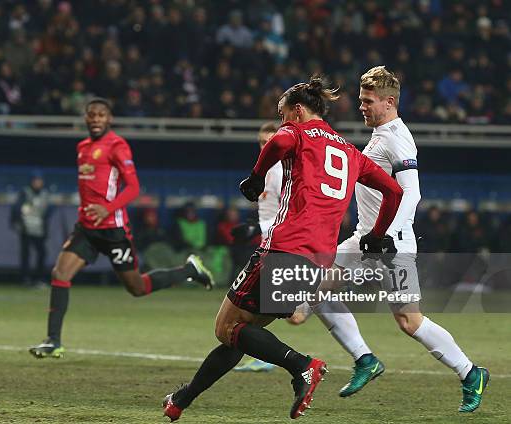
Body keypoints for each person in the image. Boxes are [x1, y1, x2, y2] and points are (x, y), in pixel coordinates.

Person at [163, 78, 403, 421]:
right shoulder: (351, 152)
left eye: (284, 114)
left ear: (299, 110)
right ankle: (182, 400)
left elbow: (280, 140)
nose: (282, 121)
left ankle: (303, 366)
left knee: (225, 328)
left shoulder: (299, 133)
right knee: (242, 333)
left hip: (284, 248)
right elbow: (394, 191)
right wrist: (377, 236)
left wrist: (257, 176)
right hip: (318, 262)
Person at [292, 66, 489, 413]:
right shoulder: (381, 135)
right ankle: (365, 359)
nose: (362, 107)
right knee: (314, 290)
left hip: (389, 247)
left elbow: (410, 193)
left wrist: (384, 237)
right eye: (360, 100)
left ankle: (471, 373)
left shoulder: (396, 137)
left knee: (408, 321)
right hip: (365, 242)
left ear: (389, 102)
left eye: (368, 101)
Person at [29, 98, 214, 359]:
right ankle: (53, 340)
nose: (95, 119)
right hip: (86, 229)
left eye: (101, 115)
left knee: (136, 287)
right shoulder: (82, 147)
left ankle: (189, 270)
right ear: (85, 118)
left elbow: (134, 188)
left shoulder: (117, 146)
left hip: (113, 229)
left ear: (109, 118)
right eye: (91, 114)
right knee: (60, 273)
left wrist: (107, 208)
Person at [233, 121, 280, 372]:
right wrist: (254, 225)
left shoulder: (283, 170)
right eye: (262, 143)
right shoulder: (267, 170)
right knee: (255, 307)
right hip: (268, 243)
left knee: (254, 306)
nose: (265, 147)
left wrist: (257, 229)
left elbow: (291, 212)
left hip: (279, 246)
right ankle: (261, 355)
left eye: (269, 143)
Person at [10, 172, 52, 287]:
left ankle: (39, 278)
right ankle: (25, 278)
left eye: (40, 180)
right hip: (26, 227)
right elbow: (17, 208)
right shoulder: (25, 192)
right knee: (26, 254)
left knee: (42, 253)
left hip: (39, 228)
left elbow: (48, 210)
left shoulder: (45, 194)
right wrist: (16, 222)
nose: (38, 183)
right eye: (36, 180)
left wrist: (45, 224)